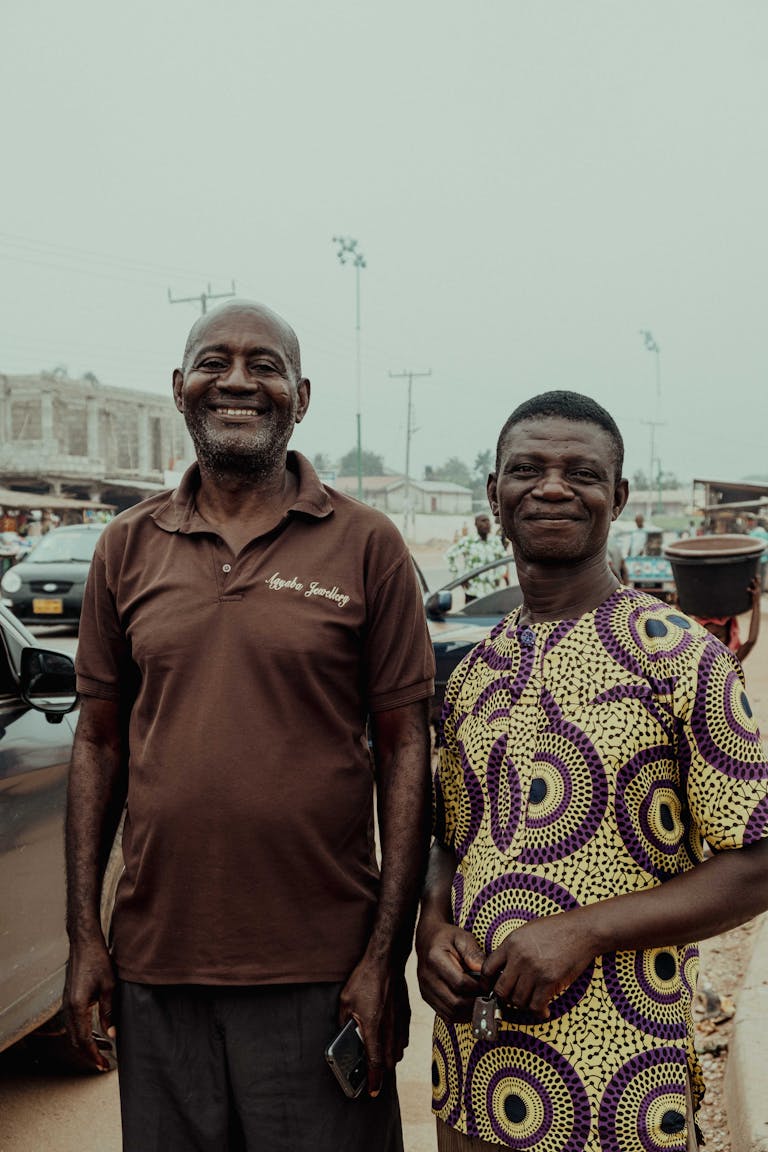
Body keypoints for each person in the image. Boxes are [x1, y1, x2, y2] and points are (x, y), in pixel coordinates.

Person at [64, 300, 435, 1152]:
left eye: (264, 365)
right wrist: (86, 937)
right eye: (213, 362)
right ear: (179, 388)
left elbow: (406, 749)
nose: (237, 381)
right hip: (157, 969)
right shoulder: (125, 547)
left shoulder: (366, 543)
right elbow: (98, 742)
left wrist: (384, 959)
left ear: (300, 397)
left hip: (322, 973)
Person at [416, 390, 768, 1152]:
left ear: (619, 496)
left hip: (619, 1086)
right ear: (495, 496)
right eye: (527, 470)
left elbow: (759, 863)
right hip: (472, 1076)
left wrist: (585, 931)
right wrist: (431, 926)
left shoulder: (681, 658)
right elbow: (449, 840)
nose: (550, 487)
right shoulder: (474, 671)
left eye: (580, 471)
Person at [694, 576, 761, 663]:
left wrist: (756, 603)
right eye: (706, 636)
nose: (710, 642)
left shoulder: (729, 662)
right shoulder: (694, 659)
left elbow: (751, 641)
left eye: (718, 636)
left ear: (729, 637)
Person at [445, 513, 508, 602]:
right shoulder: (468, 541)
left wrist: (498, 575)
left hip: (492, 591)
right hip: (473, 591)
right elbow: (449, 555)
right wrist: (459, 577)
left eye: (488, 521)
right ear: (476, 524)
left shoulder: (495, 541)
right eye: (483, 521)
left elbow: (504, 560)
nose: (487, 523)